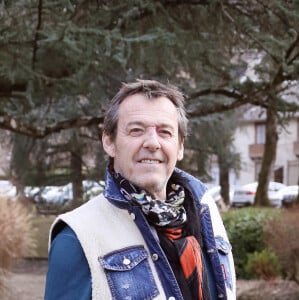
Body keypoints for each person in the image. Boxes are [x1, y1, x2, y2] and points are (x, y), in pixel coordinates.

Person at [44, 79, 236, 300]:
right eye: (136, 130)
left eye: (165, 132)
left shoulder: (206, 212)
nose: (152, 143)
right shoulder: (77, 237)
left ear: (180, 146)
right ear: (109, 142)